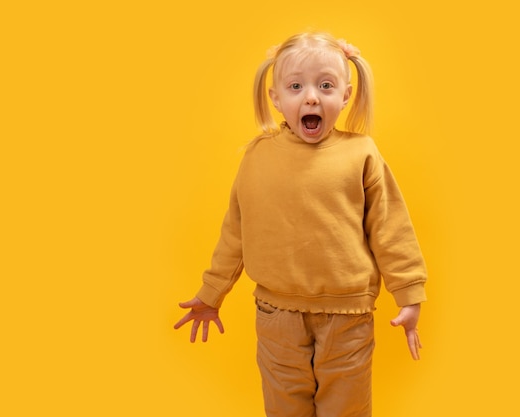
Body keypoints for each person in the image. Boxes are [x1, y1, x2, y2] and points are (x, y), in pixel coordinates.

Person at [174, 30, 427, 417]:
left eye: (325, 85)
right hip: (277, 316)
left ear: (345, 95)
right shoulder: (258, 156)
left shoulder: (361, 153)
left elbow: (391, 226)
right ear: (276, 98)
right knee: (283, 408)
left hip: (348, 319)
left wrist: (409, 293)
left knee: (347, 409)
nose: (311, 96)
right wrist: (212, 293)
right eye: (296, 86)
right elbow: (235, 230)